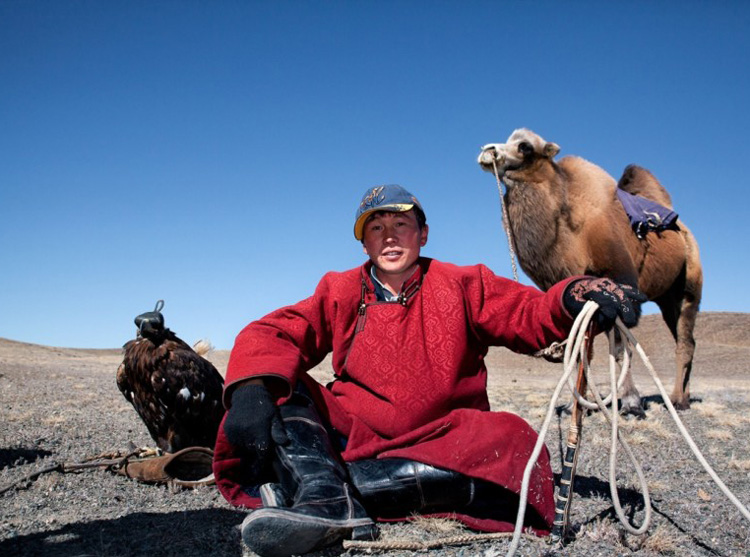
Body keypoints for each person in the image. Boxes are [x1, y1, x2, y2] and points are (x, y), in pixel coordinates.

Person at [212, 184, 646, 557]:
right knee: (280, 384)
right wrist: (252, 389)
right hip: (356, 434)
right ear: (364, 244)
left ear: (422, 233)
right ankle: (332, 497)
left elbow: (527, 311)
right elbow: (276, 330)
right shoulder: (339, 289)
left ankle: (324, 493)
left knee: (513, 441)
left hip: (443, 438)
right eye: (376, 229)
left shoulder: (463, 282)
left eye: (400, 225)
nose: (389, 237)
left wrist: (574, 295)